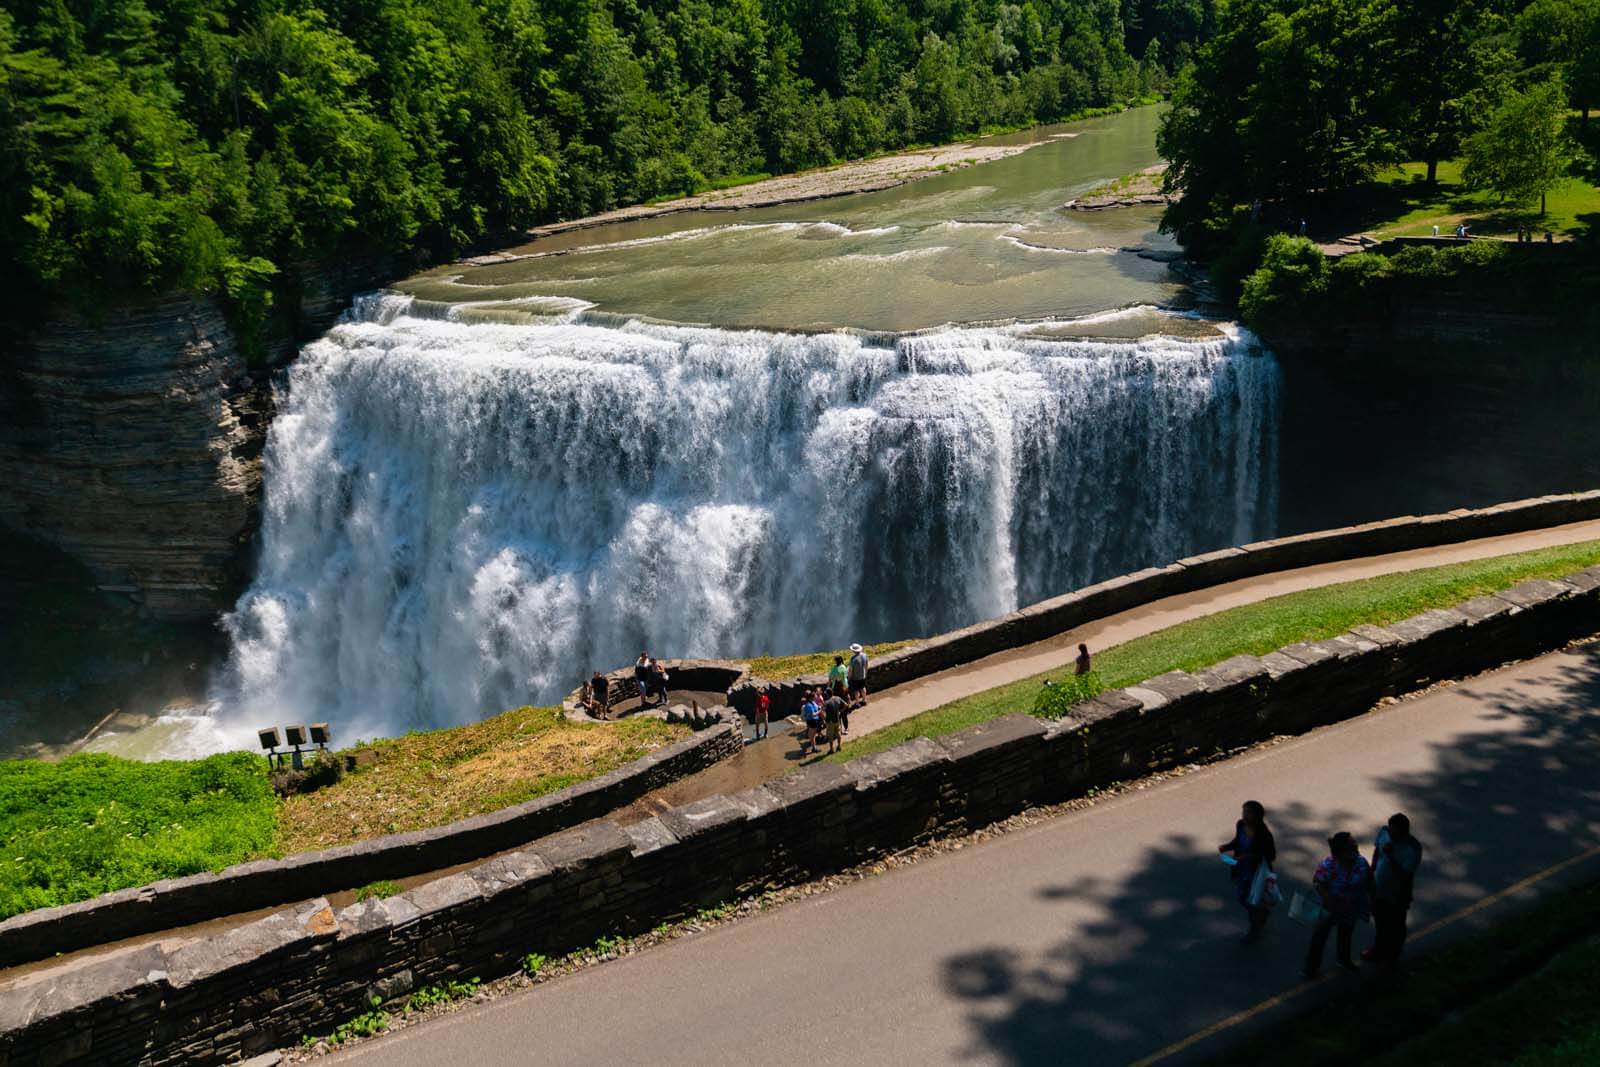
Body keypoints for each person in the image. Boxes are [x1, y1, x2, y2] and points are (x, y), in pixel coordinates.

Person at [1302, 831, 1372, 978]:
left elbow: (1369, 882)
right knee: (1319, 937)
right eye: (1351, 846)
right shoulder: (1328, 865)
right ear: (1341, 852)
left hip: (1350, 909)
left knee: (1346, 934)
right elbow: (1318, 882)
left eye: (1355, 844)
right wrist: (1329, 899)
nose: (1356, 846)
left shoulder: (1361, 863)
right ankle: (1311, 967)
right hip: (1329, 909)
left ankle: (1343, 959)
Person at [1364, 813, 1423, 964]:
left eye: (1395, 833)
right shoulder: (1384, 832)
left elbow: (1404, 876)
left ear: (1404, 832)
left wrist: (1390, 856)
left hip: (1397, 894)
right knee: (1379, 920)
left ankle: (1393, 956)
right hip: (1378, 888)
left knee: (1396, 924)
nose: (1391, 835)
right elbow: (1377, 852)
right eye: (1390, 831)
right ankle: (1378, 948)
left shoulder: (1412, 849)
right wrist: (1372, 871)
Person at [1219, 801, 1278, 943]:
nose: (1244, 815)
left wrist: (1250, 856)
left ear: (1258, 816)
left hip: (1256, 873)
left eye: (1248, 813)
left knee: (1251, 903)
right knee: (1242, 897)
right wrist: (1226, 846)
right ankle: (1261, 914)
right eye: (1244, 812)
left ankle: (1254, 930)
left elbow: (1271, 855)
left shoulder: (1264, 834)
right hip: (1241, 869)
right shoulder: (1240, 825)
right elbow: (1238, 841)